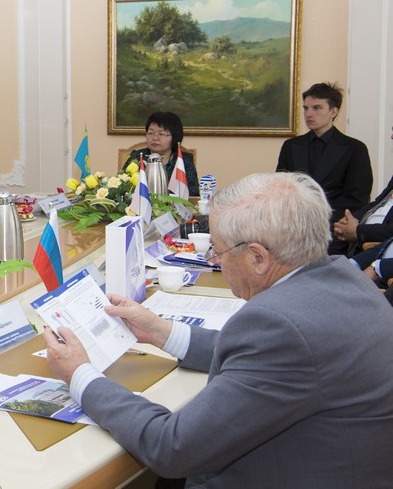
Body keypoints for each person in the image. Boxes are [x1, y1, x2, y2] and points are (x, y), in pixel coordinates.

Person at [44, 172, 393, 488]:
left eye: (218, 250)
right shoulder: (346, 279)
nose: (215, 260)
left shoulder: (280, 327)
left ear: (258, 257)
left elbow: (171, 447)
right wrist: (162, 331)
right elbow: (273, 361)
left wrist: (80, 374)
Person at [276, 82, 372, 247]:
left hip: (333, 231)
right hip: (293, 229)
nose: (309, 114)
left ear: (333, 112)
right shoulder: (291, 146)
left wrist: (318, 219)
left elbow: (357, 198)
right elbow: (281, 188)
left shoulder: (355, 148)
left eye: (317, 108)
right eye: (306, 108)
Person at [331, 126, 393, 255]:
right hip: (361, 238)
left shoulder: (355, 148)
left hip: (377, 250)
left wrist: (357, 231)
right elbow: (377, 204)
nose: (391, 136)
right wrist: (349, 221)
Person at [120, 111, 199, 196]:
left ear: (174, 137)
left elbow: (193, 193)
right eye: (151, 133)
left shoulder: (183, 161)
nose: (155, 138)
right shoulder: (137, 157)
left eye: (161, 134)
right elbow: (121, 188)